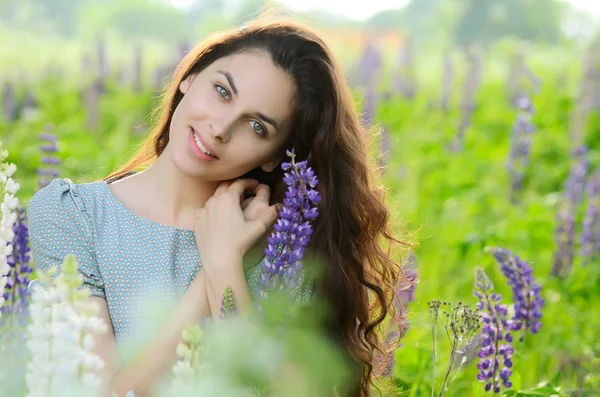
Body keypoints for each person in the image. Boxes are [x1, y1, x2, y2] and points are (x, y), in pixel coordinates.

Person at [27, 12, 410, 397]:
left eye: (257, 126)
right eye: (223, 91)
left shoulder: (284, 254)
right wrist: (213, 273)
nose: (220, 128)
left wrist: (227, 265)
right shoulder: (71, 215)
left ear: (274, 157)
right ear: (190, 77)